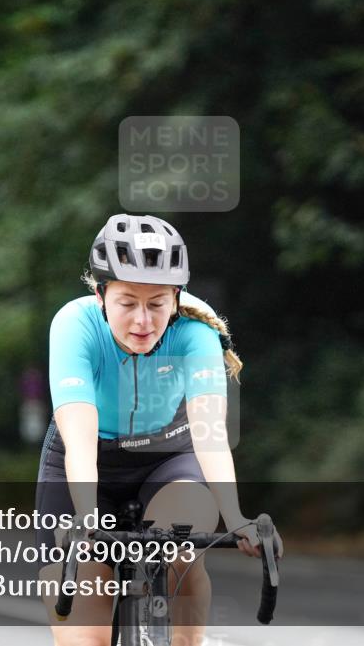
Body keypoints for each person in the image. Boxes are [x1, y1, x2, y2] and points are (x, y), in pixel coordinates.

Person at [35, 213, 283, 646]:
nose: (143, 321)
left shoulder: (196, 333)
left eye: (157, 303)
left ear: (177, 297)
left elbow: (209, 432)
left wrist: (236, 517)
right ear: (101, 294)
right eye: (127, 302)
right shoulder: (74, 326)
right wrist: (87, 513)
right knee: (83, 634)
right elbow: (78, 439)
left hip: (169, 457)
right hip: (86, 461)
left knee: (182, 550)